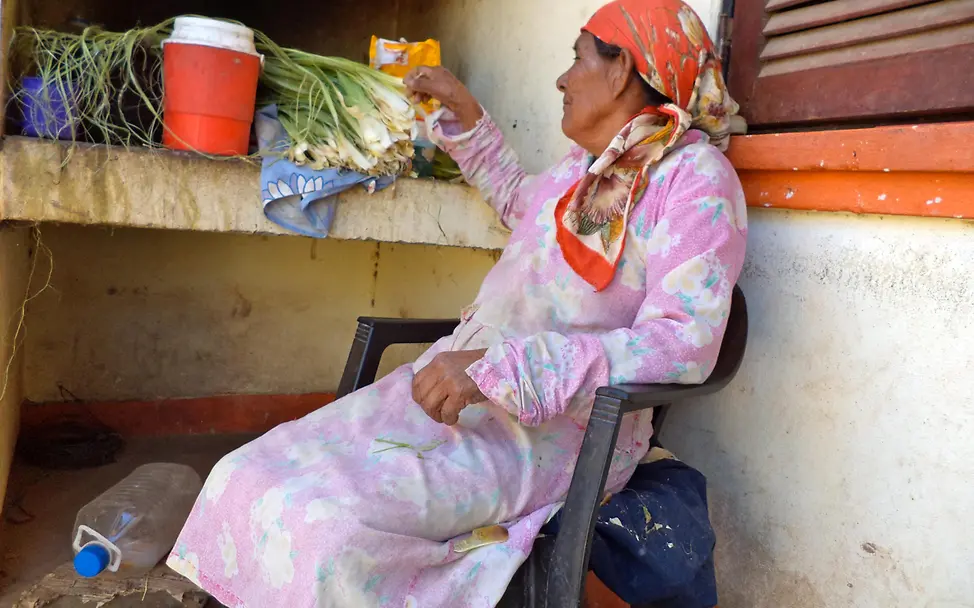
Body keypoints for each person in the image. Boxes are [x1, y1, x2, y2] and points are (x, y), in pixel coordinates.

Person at [167, 0, 747, 605]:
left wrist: (504, 369)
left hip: (554, 435)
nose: (562, 79)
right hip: (457, 395)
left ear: (621, 67)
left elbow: (682, 344)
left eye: (576, 59)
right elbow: (520, 202)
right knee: (244, 474)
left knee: (326, 530)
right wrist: (466, 116)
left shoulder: (694, 179)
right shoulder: (584, 172)